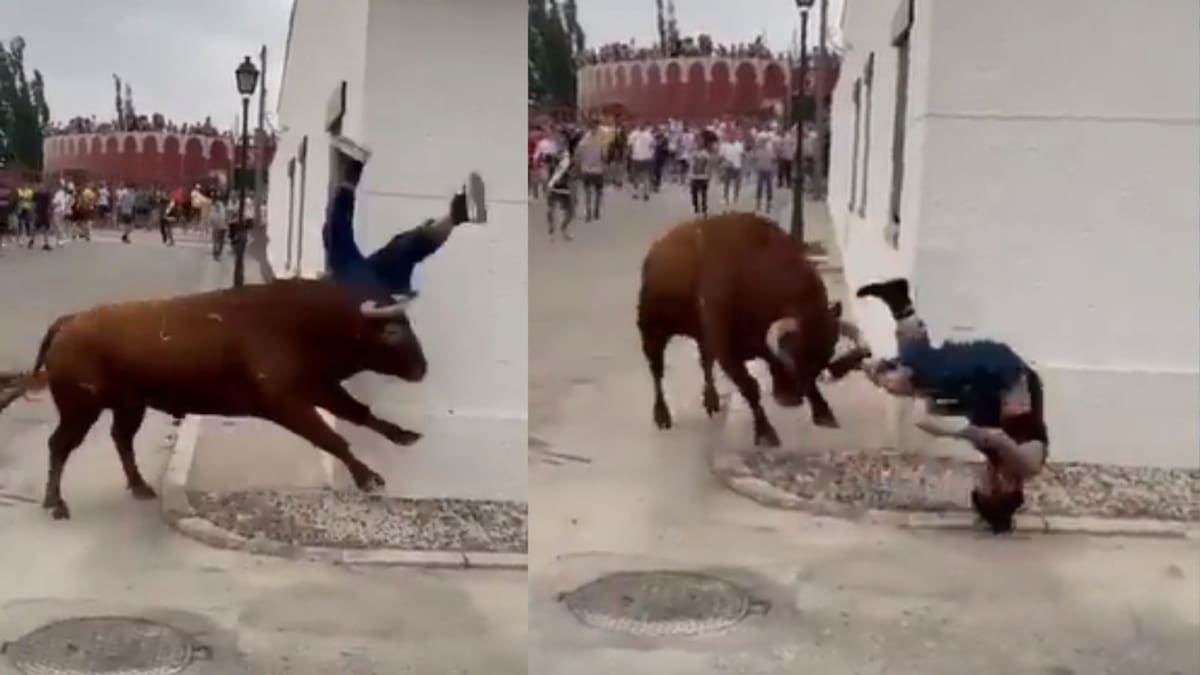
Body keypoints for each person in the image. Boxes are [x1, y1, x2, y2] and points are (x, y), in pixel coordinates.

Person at [856, 278, 1048, 534]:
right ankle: (899, 304)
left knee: (904, 383)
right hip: (1002, 371)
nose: (982, 478)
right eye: (986, 487)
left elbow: (979, 427)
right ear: (1002, 492)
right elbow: (995, 436)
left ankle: (884, 347)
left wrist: (924, 400)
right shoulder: (1027, 465)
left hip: (984, 387)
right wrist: (945, 429)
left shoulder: (998, 462)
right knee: (925, 370)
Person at [324, 146, 486, 306]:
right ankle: (456, 215)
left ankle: (458, 214)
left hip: (379, 295)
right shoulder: (344, 270)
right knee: (345, 244)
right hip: (364, 296)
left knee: (401, 249)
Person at [545, 137, 577, 240]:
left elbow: (572, 174)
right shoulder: (551, 156)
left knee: (571, 212)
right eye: (559, 143)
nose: (561, 145)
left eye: (563, 144)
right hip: (554, 187)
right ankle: (551, 232)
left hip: (564, 188)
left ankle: (563, 229)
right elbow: (547, 169)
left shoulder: (569, 159)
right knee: (551, 210)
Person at [575, 121, 606, 222]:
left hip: (586, 170)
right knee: (598, 192)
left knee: (588, 192)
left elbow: (577, 156)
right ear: (596, 128)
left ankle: (588, 212)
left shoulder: (583, 141)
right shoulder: (601, 141)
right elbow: (604, 156)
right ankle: (596, 210)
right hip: (598, 170)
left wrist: (578, 168)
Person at [688, 130, 715, 216]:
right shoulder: (693, 152)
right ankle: (696, 208)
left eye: (701, 141)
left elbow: (709, 165)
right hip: (694, 176)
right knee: (694, 194)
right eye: (698, 141)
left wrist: (709, 176)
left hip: (703, 176)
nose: (699, 143)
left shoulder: (706, 153)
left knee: (703, 194)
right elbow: (691, 164)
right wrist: (689, 175)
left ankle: (704, 209)